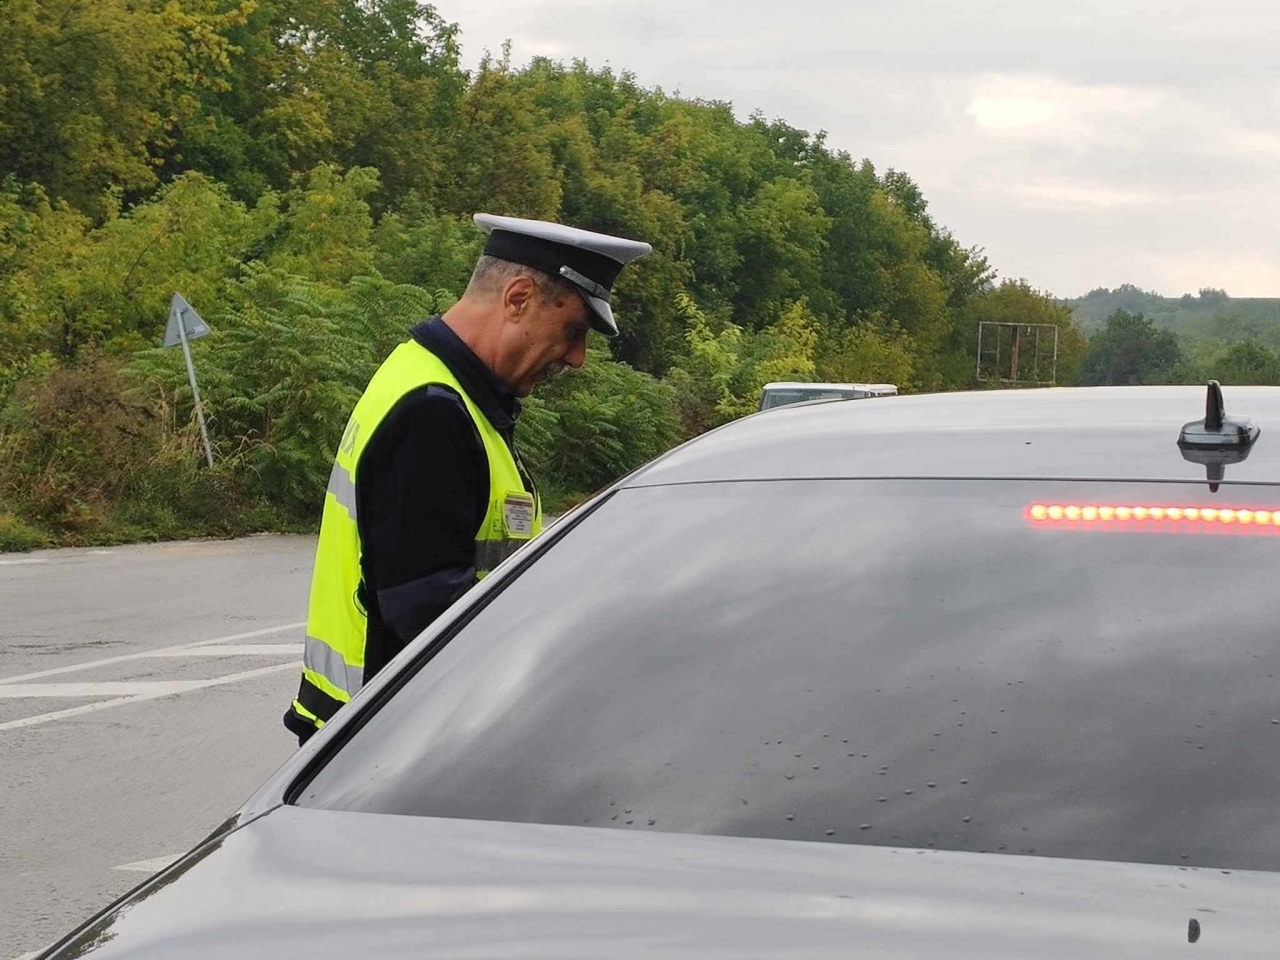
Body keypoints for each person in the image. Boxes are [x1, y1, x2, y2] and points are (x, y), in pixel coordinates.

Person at [283, 213, 652, 745]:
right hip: (390, 742)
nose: (577, 358)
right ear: (518, 298)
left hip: (364, 732)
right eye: (573, 331)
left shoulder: (425, 376)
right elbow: (428, 613)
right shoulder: (433, 413)